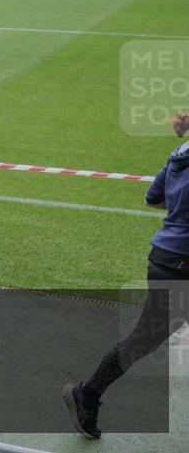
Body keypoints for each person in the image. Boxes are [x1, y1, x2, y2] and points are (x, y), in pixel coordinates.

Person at [63, 126, 189, 440]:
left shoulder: (179, 155)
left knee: (143, 340)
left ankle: (88, 394)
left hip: (165, 258)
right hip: (182, 264)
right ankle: (87, 394)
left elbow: (154, 199)